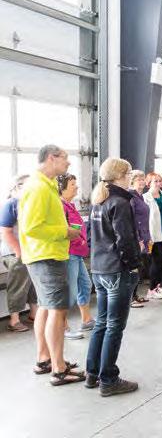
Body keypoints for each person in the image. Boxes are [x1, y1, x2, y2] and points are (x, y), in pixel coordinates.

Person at [18, 145, 84, 385]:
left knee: (46, 309)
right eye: (65, 158)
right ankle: (59, 368)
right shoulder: (38, 188)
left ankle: (44, 359)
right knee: (57, 310)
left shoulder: (46, 185)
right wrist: (64, 232)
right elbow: (31, 227)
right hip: (46, 257)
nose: (68, 163)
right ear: (51, 158)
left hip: (44, 255)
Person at [86, 157, 141, 397]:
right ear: (120, 176)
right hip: (117, 270)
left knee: (101, 322)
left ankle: (92, 373)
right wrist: (133, 265)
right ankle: (108, 379)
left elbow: (91, 237)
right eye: (129, 175)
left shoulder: (98, 200)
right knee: (114, 326)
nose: (130, 178)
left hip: (99, 269)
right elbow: (125, 240)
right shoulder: (120, 202)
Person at [58, 173, 95, 335]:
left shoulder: (70, 205)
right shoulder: (60, 206)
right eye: (72, 184)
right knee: (70, 292)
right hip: (69, 253)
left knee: (85, 285)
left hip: (77, 254)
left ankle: (86, 320)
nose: (76, 187)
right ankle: (62, 327)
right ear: (62, 188)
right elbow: (63, 231)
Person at [0, 175, 37, 333]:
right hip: (15, 253)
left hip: (29, 252)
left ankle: (34, 314)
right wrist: (18, 252)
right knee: (18, 286)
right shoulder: (11, 204)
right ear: (18, 187)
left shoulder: (28, 203)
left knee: (32, 284)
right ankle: (14, 321)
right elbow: (5, 232)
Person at [143, 173, 162, 300]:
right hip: (154, 234)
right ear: (148, 183)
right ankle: (151, 289)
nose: (159, 183)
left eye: (160, 181)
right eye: (155, 181)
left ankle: (158, 286)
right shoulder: (145, 198)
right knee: (155, 261)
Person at [128, 170, 151, 307]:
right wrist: (138, 239)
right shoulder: (131, 197)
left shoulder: (140, 197)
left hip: (144, 236)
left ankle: (135, 295)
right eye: (139, 179)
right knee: (135, 269)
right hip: (137, 238)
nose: (142, 182)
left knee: (140, 268)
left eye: (143, 179)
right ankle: (131, 298)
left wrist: (147, 237)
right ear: (132, 181)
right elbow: (131, 220)